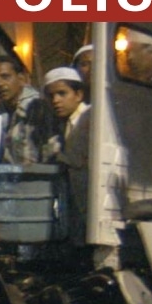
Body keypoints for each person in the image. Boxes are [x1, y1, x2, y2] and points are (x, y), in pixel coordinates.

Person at [44, 66, 95, 237]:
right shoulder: (64, 124)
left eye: (62, 93)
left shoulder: (90, 119)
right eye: (51, 96)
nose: (56, 100)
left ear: (79, 95)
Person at [0, 54, 55, 164]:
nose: (0, 84)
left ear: (21, 79)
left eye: (5, 77)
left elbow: (50, 151)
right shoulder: (0, 112)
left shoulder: (36, 108)